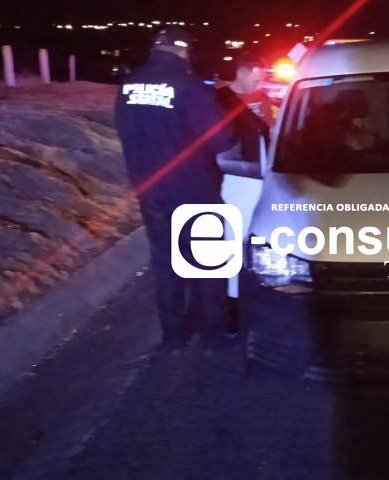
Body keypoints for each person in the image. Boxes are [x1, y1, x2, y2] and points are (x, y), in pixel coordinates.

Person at [114, 27, 238, 350]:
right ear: (183, 51)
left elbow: (125, 132)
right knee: (205, 261)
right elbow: (223, 140)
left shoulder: (129, 85)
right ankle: (213, 334)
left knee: (166, 263)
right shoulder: (189, 87)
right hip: (193, 191)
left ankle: (172, 334)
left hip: (151, 192)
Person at [214, 53, 274, 163]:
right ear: (240, 74)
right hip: (229, 163)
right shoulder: (219, 99)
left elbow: (269, 132)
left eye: (261, 81)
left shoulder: (263, 99)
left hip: (257, 163)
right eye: (256, 81)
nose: (259, 86)